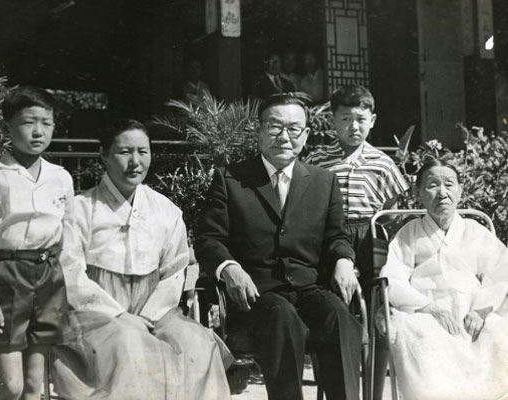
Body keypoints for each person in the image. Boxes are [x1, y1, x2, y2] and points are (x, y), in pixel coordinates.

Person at [195, 92, 363, 400]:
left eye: (294, 128)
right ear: (258, 130)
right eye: (274, 126)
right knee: (283, 317)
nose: (284, 136)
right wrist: (230, 268)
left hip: (308, 288)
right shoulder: (230, 179)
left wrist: (344, 261)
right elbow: (208, 238)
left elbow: (337, 237)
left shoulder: (324, 182)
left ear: (306, 135)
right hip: (255, 296)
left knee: (340, 319)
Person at [51, 117, 232, 400]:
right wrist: (120, 316)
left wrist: (147, 317)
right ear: (104, 156)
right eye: (124, 152)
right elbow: (70, 273)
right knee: (130, 342)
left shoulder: (166, 211)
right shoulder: (80, 209)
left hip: (155, 311)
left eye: (143, 152)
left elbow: (174, 271)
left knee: (196, 343)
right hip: (95, 314)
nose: (135, 161)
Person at [0, 87, 72, 400]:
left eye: (46, 123)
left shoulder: (61, 177)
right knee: (11, 385)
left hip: (49, 277)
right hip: (7, 277)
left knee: (35, 386)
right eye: (27, 122)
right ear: (8, 126)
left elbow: (66, 235)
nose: (38, 131)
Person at [380, 158, 508, 400]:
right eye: (432, 185)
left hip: (473, 311)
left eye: (449, 184)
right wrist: (430, 309)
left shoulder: (473, 230)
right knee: (421, 336)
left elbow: (502, 271)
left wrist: (480, 311)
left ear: (460, 190)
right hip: (426, 311)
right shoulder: (409, 233)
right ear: (418, 193)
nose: (442, 193)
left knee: (497, 330)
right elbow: (393, 279)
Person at [305, 85, 409, 282]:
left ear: (372, 120)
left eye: (361, 119)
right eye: (346, 119)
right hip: (329, 234)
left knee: (371, 284)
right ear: (332, 120)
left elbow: (391, 212)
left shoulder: (382, 163)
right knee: (329, 283)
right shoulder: (317, 160)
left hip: (368, 236)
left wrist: (369, 227)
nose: (354, 126)